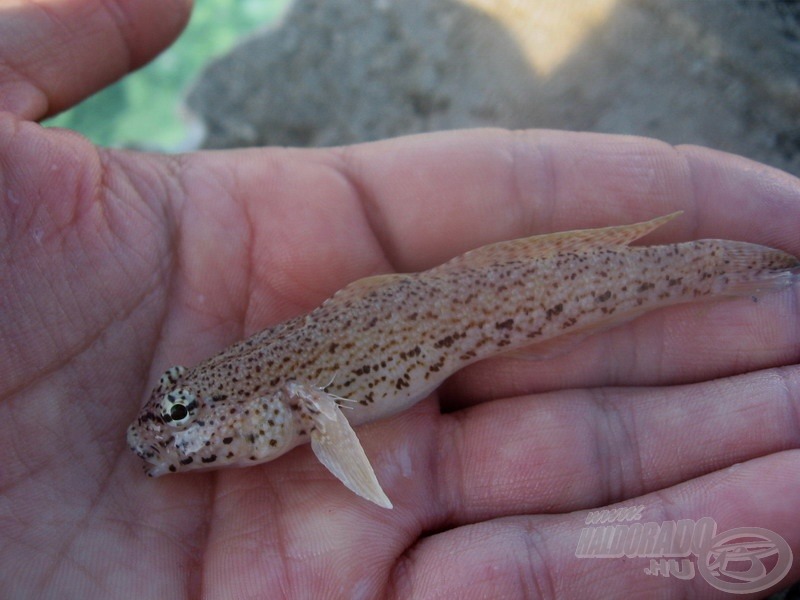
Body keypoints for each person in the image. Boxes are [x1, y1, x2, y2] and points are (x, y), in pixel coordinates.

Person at [1, 1, 798, 597]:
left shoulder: (303, 401)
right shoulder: (275, 393)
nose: (168, 434)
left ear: (261, 402)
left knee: (679, 272)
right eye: (177, 415)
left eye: (182, 419)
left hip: (484, 301)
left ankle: (762, 269)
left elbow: (323, 422)